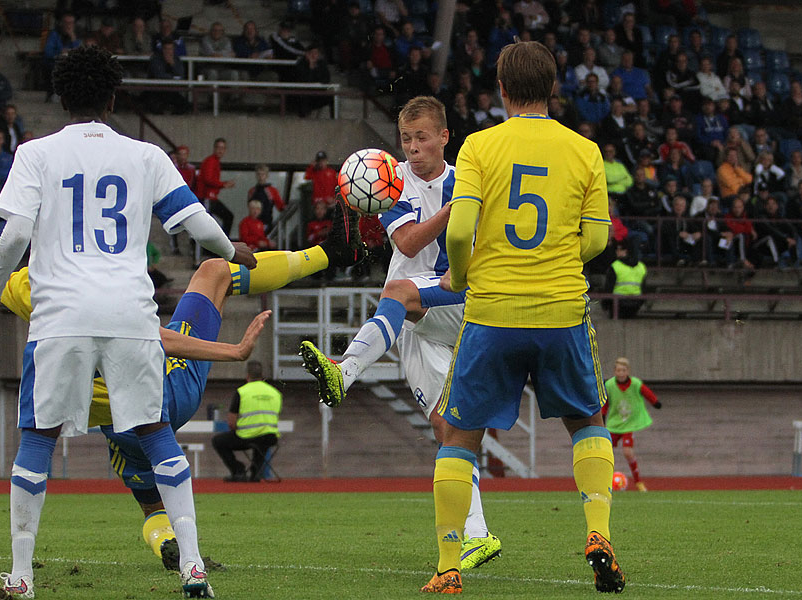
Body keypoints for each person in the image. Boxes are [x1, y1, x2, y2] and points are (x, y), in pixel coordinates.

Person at [0, 46, 259, 599]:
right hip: (129, 312)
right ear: (111, 96)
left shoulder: (36, 153)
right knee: (153, 432)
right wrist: (233, 249)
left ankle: (23, 577)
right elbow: (194, 219)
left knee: (37, 438)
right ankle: (193, 566)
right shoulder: (145, 156)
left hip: (61, 315)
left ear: (61, 97)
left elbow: (13, 237)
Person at [0, 200, 364, 576]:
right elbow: (163, 340)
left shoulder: (38, 286)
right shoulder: (112, 285)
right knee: (215, 271)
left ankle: (162, 541)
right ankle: (329, 253)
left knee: (149, 503)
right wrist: (233, 351)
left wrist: (25, 232)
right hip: (162, 392)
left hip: (117, 427)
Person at [431, 41, 624, 594]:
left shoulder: (478, 147)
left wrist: (464, 278)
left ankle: (448, 567)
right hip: (561, 309)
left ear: (502, 90)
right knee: (588, 422)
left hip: (492, 312)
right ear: (554, 88)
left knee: (459, 435)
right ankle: (598, 534)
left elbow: (461, 231)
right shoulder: (585, 151)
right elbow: (596, 239)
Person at [300, 96, 502, 572]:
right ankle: (478, 535)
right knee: (443, 427)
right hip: (416, 318)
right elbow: (409, 241)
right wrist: (456, 210)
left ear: (444, 138)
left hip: (460, 301)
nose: (413, 148)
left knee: (396, 288)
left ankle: (344, 371)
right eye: (406, 139)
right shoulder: (392, 183)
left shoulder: (466, 180)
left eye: (422, 137)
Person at [212, 361, 282, 482]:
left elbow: (232, 422)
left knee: (218, 441)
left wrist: (237, 428)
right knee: (262, 442)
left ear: (247, 375)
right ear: (262, 375)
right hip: (270, 436)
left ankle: (238, 470)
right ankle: (256, 473)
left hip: (246, 436)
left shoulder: (242, 392)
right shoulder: (275, 393)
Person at [602, 357, 661, 492]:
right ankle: (603, 482)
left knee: (628, 452)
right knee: (605, 452)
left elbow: (646, 392)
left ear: (627, 371)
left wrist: (655, 402)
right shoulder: (609, 385)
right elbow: (606, 402)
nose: (621, 373)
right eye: (618, 370)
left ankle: (638, 482)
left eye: (623, 370)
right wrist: (603, 416)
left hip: (630, 423)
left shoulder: (635, 383)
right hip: (614, 424)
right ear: (614, 371)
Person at [197, 138, 236, 239]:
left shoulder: (215, 162)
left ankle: (221, 244)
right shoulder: (211, 161)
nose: (220, 150)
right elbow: (208, 179)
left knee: (224, 218)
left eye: (222, 148)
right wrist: (223, 184)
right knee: (212, 223)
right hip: (207, 197)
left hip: (211, 198)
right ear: (214, 148)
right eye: (218, 148)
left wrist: (223, 185)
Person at [247, 163, 285, 229]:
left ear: (266, 176)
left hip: (267, 223)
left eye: (263, 174)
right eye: (258, 174)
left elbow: (281, 207)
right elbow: (249, 208)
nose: (260, 177)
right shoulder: (251, 191)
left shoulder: (272, 191)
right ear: (256, 175)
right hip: (253, 224)